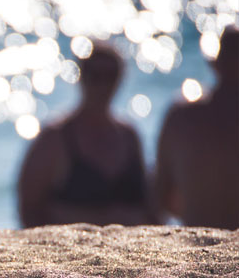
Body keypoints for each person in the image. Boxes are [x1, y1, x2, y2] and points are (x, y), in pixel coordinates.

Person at [17, 43, 155, 228]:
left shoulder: (129, 136)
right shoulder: (55, 138)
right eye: (95, 75)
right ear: (81, 76)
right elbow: (29, 210)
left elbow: (151, 207)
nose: (103, 84)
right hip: (68, 248)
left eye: (110, 75)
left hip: (130, 248)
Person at [155, 28, 239, 230]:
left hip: (196, 237)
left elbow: (160, 197)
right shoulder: (183, 115)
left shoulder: (182, 116)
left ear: (216, 65)